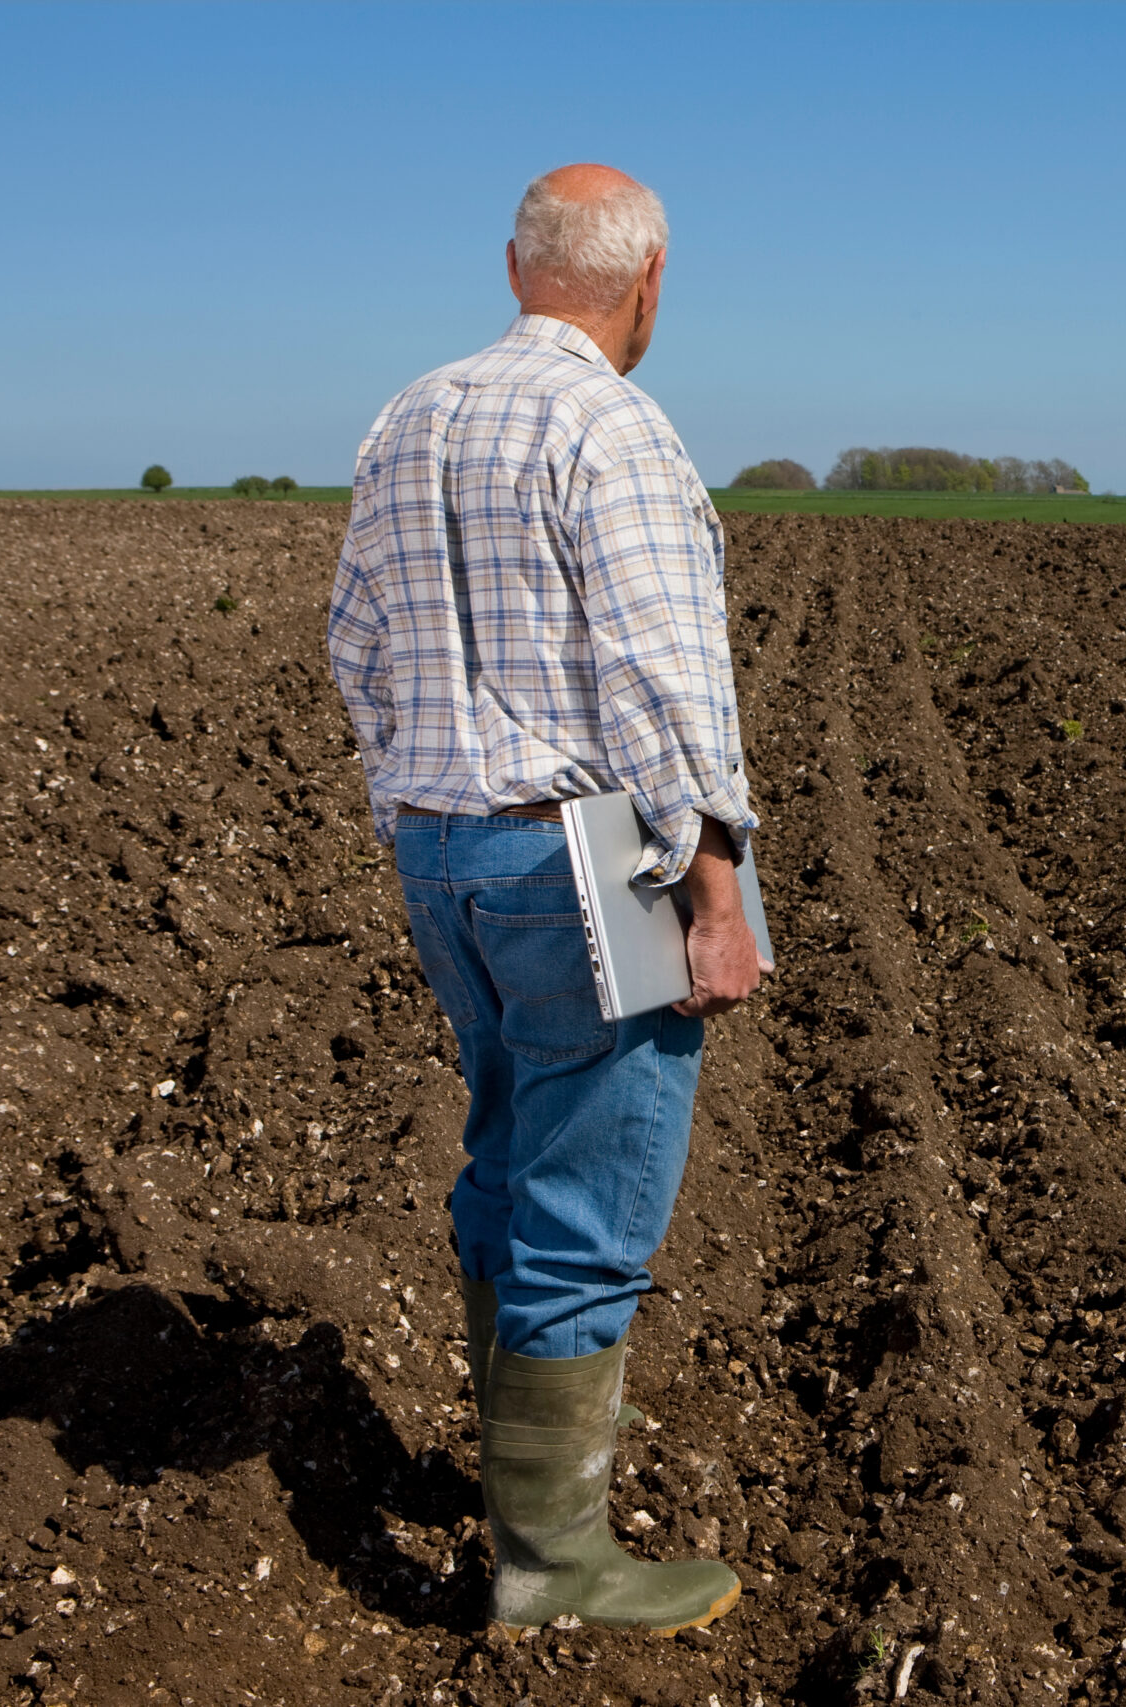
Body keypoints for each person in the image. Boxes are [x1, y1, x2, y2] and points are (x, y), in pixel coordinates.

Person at [327, 163, 759, 1635]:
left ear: (517, 268)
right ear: (644, 284)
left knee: (507, 1153)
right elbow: (660, 681)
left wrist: (415, 805)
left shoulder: (407, 417)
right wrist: (716, 885)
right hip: (582, 861)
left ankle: (516, 1490)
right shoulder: (613, 426)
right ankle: (556, 1566)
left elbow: (357, 647)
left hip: (445, 851)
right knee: (591, 1190)